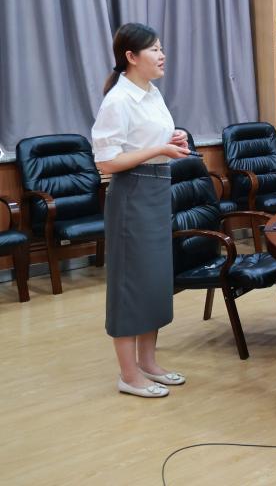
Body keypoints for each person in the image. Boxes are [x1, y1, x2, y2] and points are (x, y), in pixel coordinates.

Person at [92, 23, 191, 398]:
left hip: (157, 190)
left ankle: (149, 363)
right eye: (154, 49)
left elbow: (150, 141)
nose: (162, 55)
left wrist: (174, 138)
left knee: (154, 281)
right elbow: (107, 162)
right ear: (131, 57)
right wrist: (159, 149)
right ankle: (129, 374)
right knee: (129, 285)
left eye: (161, 48)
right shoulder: (118, 100)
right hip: (132, 195)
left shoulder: (152, 93)